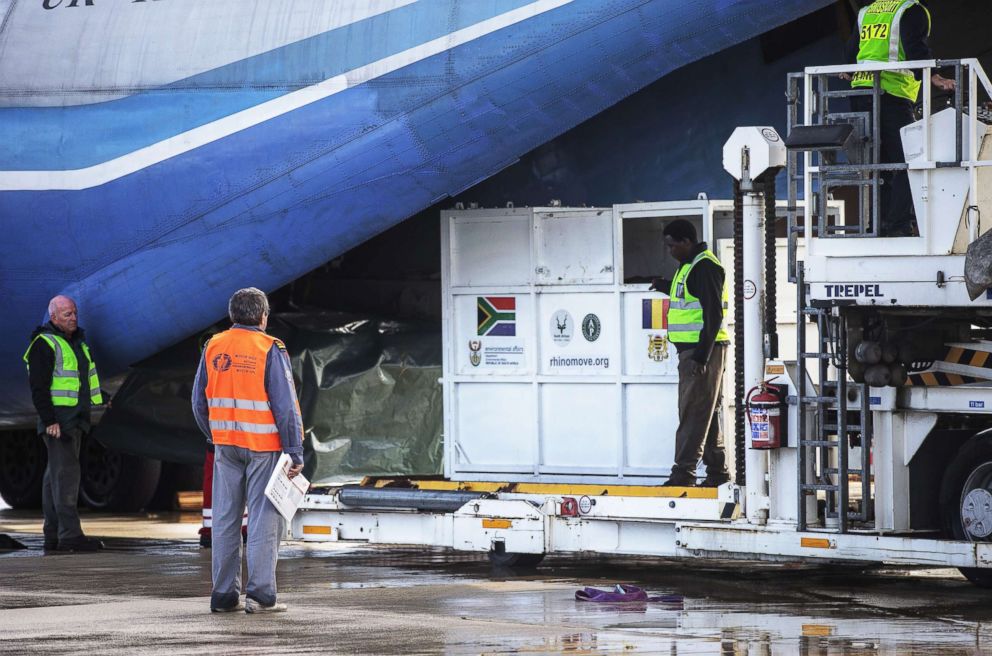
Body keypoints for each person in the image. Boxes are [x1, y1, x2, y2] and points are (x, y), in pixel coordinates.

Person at [192, 288, 304, 614]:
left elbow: (199, 402)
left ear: (232, 316)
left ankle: (224, 596)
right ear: (263, 317)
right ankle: (261, 596)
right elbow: (285, 407)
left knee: (225, 521)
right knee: (263, 521)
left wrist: (215, 435)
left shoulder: (213, 345)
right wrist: (295, 450)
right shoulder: (270, 347)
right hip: (264, 448)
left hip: (225, 446)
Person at [843, 0, 955, 237]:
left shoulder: (867, 11)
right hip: (891, 94)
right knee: (910, 162)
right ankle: (898, 228)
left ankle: (878, 225)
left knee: (878, 165)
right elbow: (915, 47)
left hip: (860, 93)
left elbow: (851, 52)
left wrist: (849, 68)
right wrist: (934, 76)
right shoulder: (910, 9)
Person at [651, 221, 731, 487]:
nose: (670, 251)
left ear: (687, 241)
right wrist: (662, 285)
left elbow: (713, 313)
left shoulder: (704, 266)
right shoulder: (690, 266)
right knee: (705, 411)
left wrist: (700, 357)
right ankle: (717, 473)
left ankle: (683, 473)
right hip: (697, 351)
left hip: (700, 352)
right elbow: (689, 297)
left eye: (673, 245)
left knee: (693, 411)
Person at [23, 295, 105, 552]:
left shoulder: (76, 343)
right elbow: (38, 387)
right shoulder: (44, 344)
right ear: (54, 317)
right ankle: (70, 535)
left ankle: (53, 534)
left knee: (54, 478)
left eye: (74, 313)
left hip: (76, 419)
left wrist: (106, 399)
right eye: (67, 314)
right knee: (66, 477)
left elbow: (82, 381)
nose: (73, 318)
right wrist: (49, 420)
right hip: (60, 422)